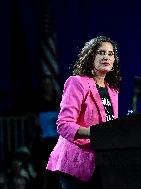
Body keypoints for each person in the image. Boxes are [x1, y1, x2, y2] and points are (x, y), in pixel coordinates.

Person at [46, 36, 121, 189]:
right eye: (101, 52)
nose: (106, 56)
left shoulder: (113, 91)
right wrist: (96, 133)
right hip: (76, 164)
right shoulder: (77, 82)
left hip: (102, 164)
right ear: (90, 57)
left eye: (110, 53)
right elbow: (64, 124)